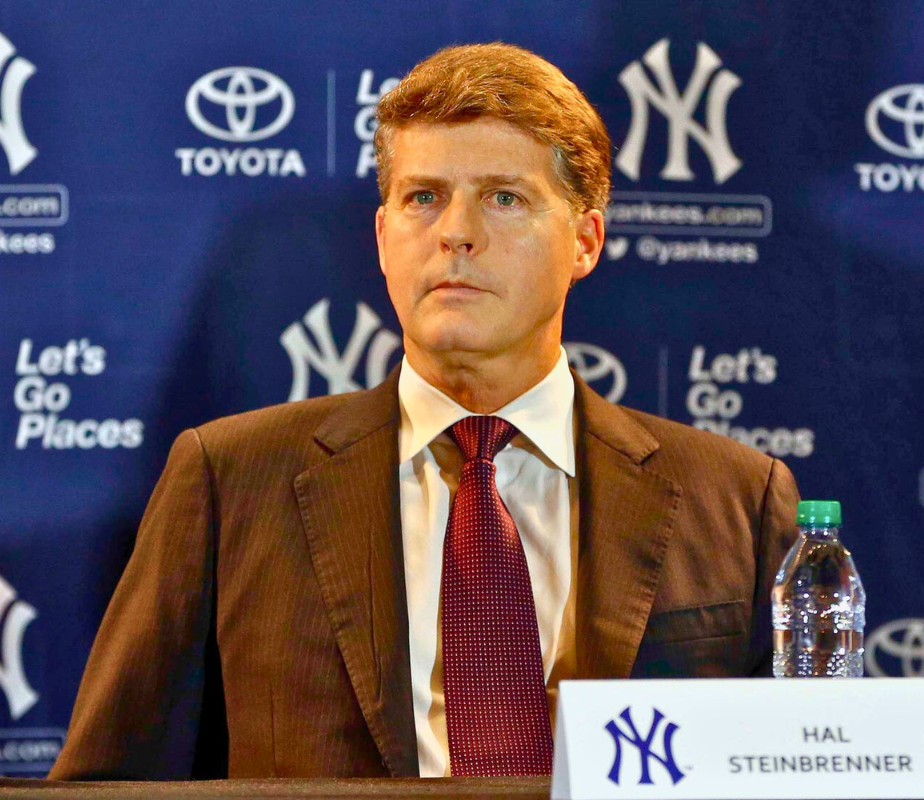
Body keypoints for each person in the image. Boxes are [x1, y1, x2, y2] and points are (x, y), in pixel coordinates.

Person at [49, 42, 799, 780]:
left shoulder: (735, 497)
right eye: (423, 197)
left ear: (585, 240)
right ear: (382, 238)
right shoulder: (229, 480)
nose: (455, 232)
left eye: (504, 197)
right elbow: (111, 782)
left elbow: (806, 773)